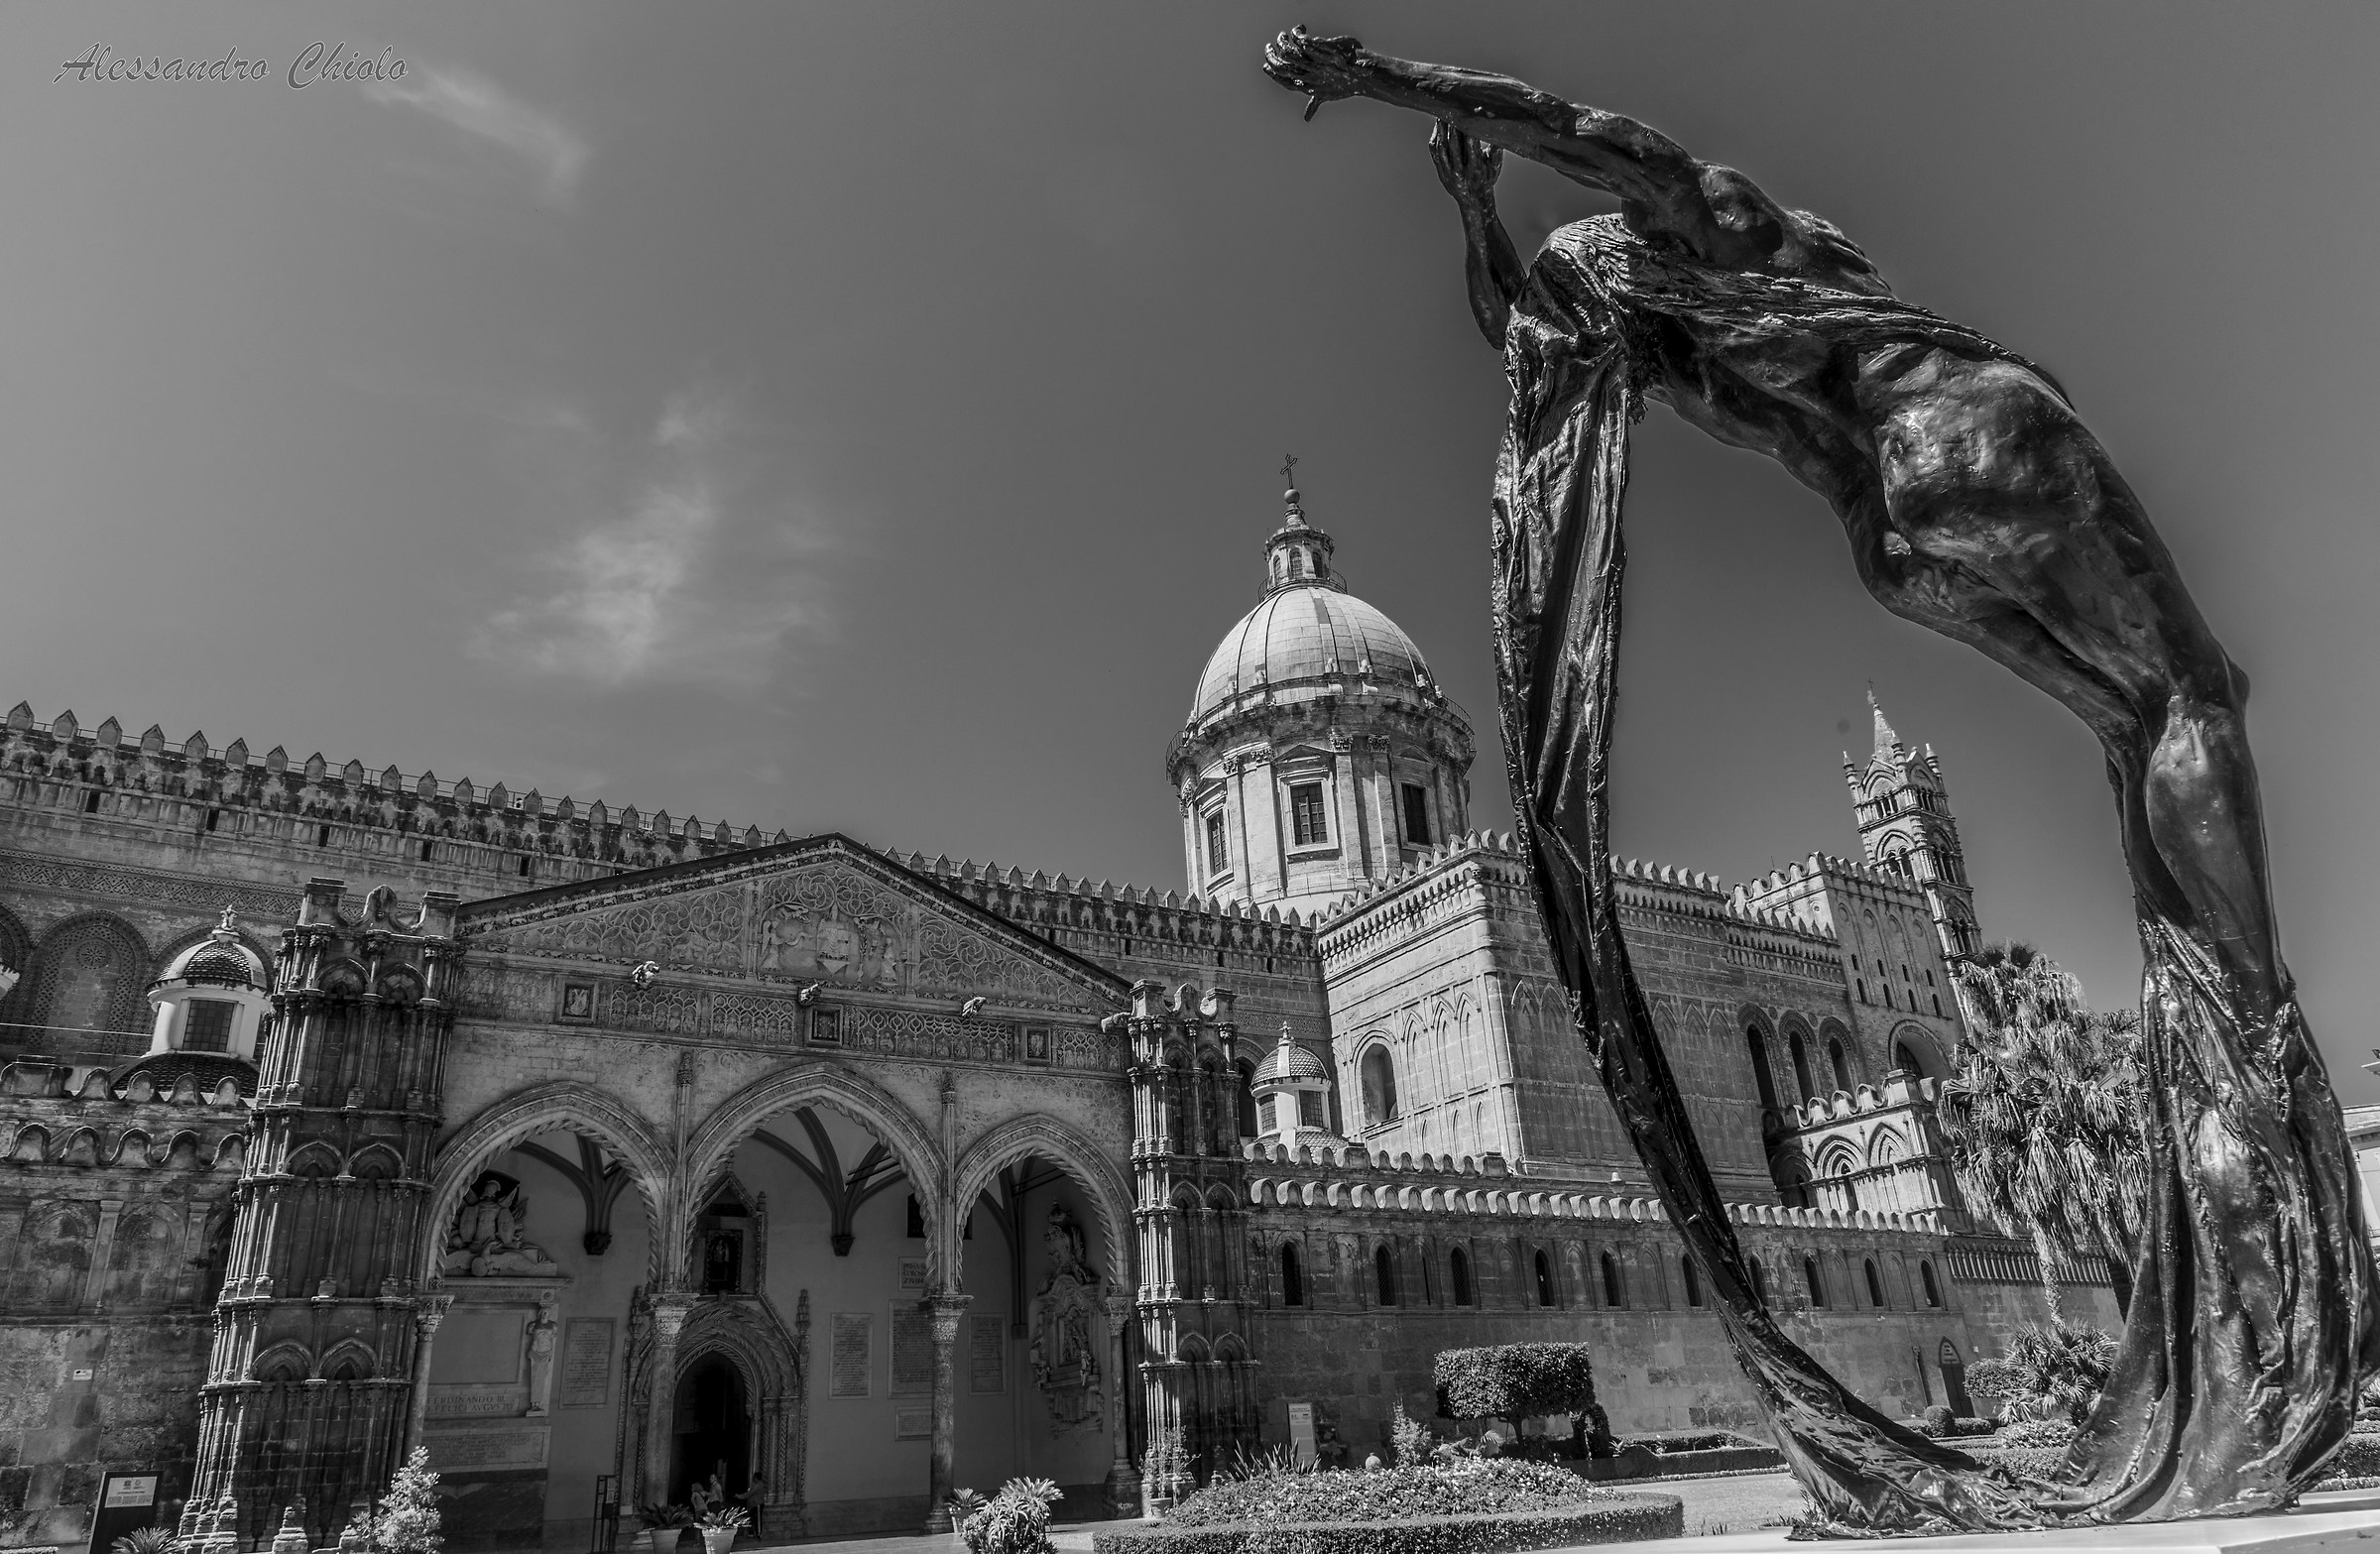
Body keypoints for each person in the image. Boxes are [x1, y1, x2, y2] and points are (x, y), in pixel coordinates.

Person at [1261, 27, 2375, 1530]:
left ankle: (2225, 1144)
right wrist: (1389, 83)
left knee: (2150, 726)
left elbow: (1528, 316)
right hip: (1957, 435)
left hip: (1893, 531)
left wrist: (1467, 207)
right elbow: (1565, 127)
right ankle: (2245, 1048)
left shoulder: (1680, 337)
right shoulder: (1743, 257)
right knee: (2186, 696)